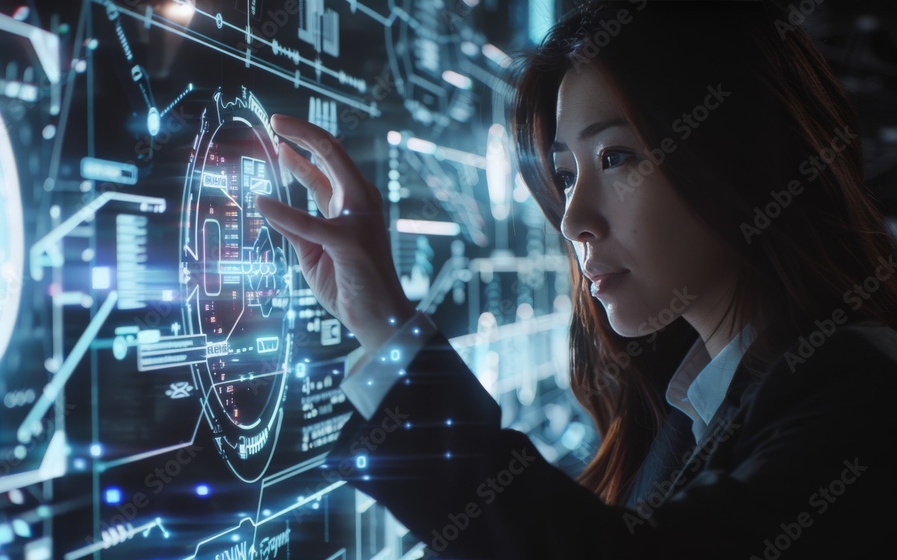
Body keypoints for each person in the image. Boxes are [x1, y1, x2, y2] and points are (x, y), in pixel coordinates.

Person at [254, 0, 897, 557]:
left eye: (615, 157)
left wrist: (391, 328)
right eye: (565, 174)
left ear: (745, 154)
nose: (574, 220)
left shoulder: (859, 400)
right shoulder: (699, 405)